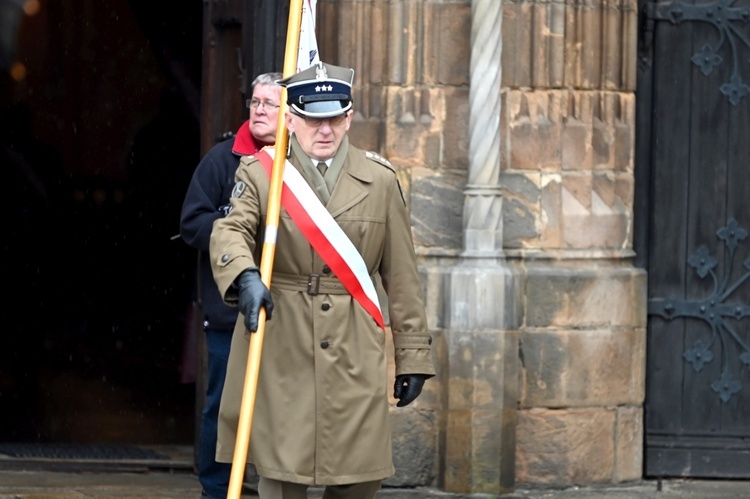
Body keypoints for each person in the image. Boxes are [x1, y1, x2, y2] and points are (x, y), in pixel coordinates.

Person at [209, 61, 436, 499]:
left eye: (334, 117)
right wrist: (246, 276)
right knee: (281, 477)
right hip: (283, 341)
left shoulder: (380, 181)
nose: (325, 129)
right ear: (291, 119)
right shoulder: (262, 175)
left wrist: (412, 357)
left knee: (359, 478)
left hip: (355, 346)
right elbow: (230, 230)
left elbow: (403, 279)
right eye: (313, 117)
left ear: (349, 117)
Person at [179, 71, 282, 499]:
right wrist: (235, 233)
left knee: (277, 406)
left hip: (284, 310)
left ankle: (270, 483)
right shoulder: (221, 160)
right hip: (228, 308)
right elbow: (192, 223)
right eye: (255, 102)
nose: (258, 110)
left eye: (268, 104)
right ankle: (217, 489)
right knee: (224, 405)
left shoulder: (299, 167)